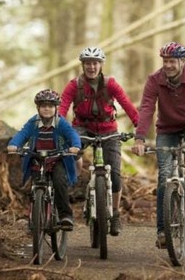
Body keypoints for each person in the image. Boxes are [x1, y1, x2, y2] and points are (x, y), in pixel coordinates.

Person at [131, 42, 185, 248]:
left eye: (172, 61)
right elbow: (147, 108)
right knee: (164, 176)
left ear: (183, 62)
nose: (168, 65)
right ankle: (162, 232)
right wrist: (139, 138)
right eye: (165, 61)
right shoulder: (154, 80)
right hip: (167, 128)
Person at [59, 46, 139, 236]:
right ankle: (75, 181)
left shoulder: (111, 84)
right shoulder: (74, 85)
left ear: (101, 65)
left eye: (95, 63)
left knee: (116, 175)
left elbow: (127, 104)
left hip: (108, 130)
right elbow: (62, 107)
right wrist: (59, 128)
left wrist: (139, 128)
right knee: (72, 151)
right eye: (88, 63)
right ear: (83, 65)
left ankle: (116, 214)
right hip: (81, 127)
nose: (91, 67)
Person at [7, 89, 81, 231]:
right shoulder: (33, 122)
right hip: (38, 158)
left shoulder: (61, 123)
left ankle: (65, 215)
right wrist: (14, 144)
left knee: (59, 181)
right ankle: (34, 218)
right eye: (43, 106)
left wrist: (75, 146)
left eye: (50, 106)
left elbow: (72, 134)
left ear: (56, 108)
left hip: (57, 158)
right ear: (38, 108)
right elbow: (22, 133)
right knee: (34, 186)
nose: (47, 109)